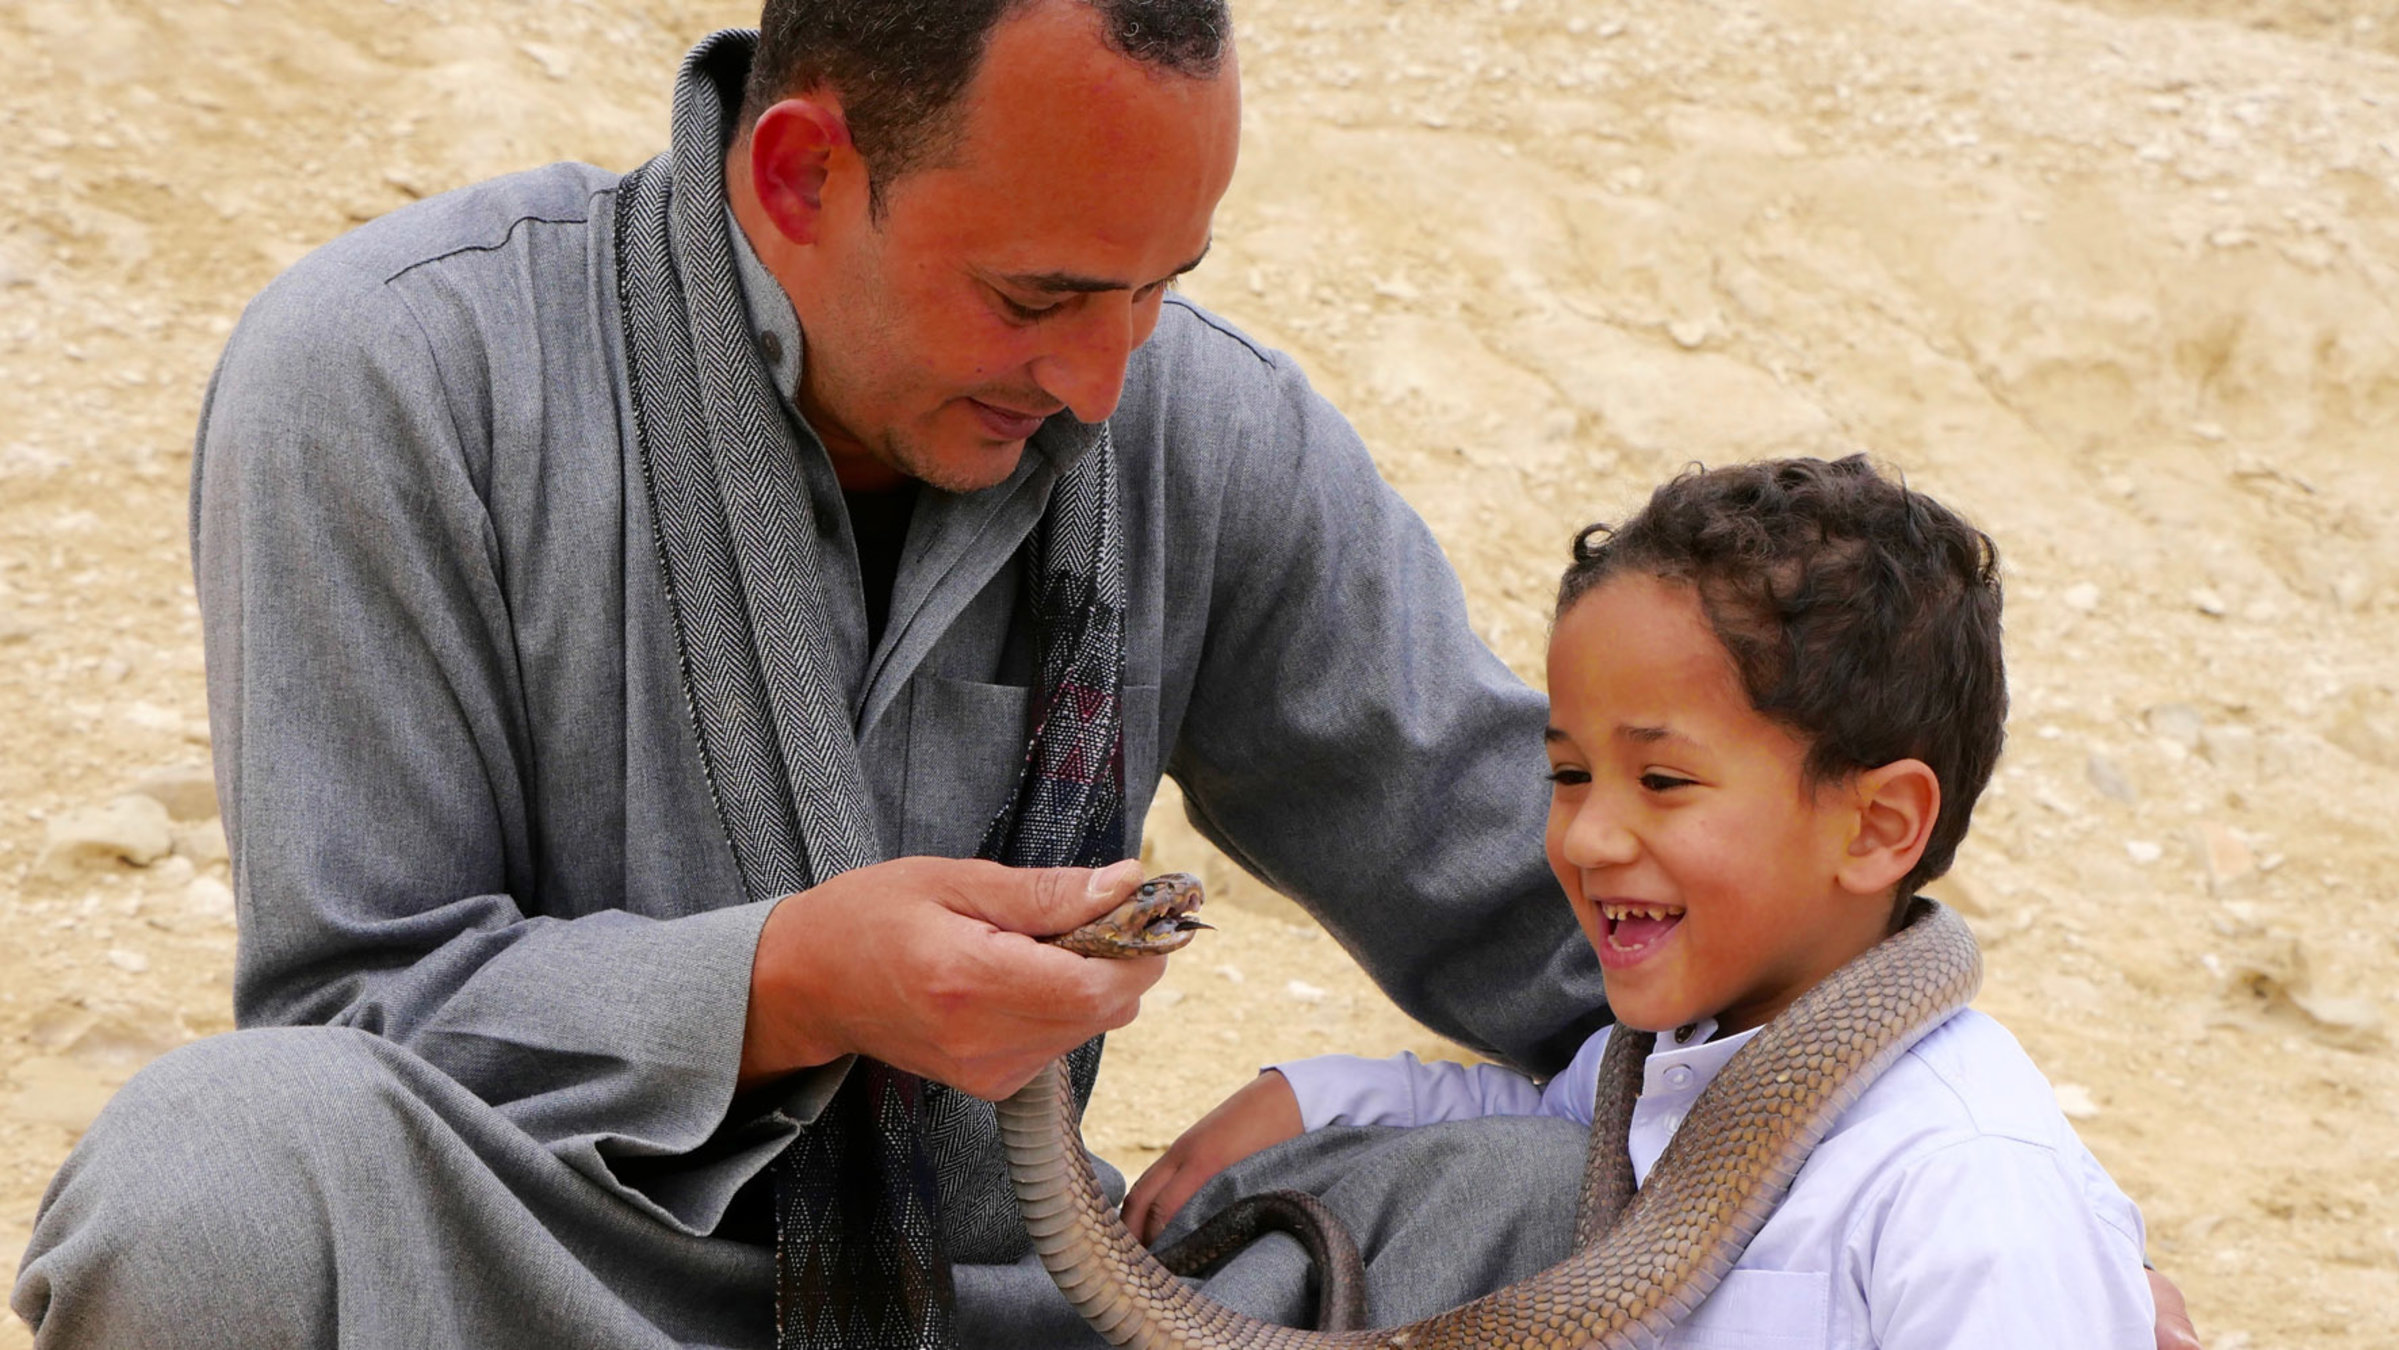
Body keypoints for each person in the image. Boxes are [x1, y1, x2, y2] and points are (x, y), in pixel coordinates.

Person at [9, 2, 2199, 1345]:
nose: (1107, 376)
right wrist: (787, 980)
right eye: (1042, 294)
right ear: (798, 177)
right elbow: (356, 1023)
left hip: (1038, 1314)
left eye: (1163, 288)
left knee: (1585, 1209)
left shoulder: (1191, 426)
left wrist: (2006, 1220)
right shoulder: (390, 379)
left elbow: (1579, 929)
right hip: (563, 1296)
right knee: (219, 1168)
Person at [1127, 457, 2158, 1346]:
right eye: (1568, 776)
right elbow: (1528, 1121)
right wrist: (1311, 1100)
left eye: (1661, 782)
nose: (1585, 836)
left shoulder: (1971, 1183)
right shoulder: (1659, 1063)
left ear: (1879, 825)